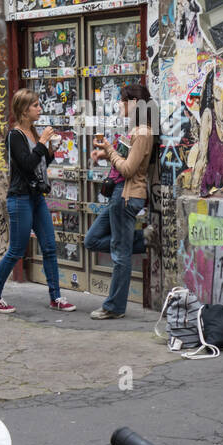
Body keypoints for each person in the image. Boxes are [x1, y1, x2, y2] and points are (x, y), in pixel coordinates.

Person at [0, 89, 76, 314]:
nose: (39, 109)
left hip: (36, 197)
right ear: (25, 110)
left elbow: (39, 163)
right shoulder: (15, 135)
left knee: (49, 247)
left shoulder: (33, 132)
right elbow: (26, 164)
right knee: (15, 250)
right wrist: (43, 143)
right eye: (35, 105)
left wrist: (50, 150)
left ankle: (56, 297)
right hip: (20, 198)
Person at [85, 83, 157, 320]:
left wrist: (109, 149)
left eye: (123, 100)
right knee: (92, 239)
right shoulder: (137, 130)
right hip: (119, 195)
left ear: (134, 103)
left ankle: (114, 307)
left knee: (120, 254)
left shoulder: (144, 132)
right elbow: (124, 160)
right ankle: (142, 239)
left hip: (127, 197)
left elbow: (127, 169)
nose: (120, 104)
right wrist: (105, 153)